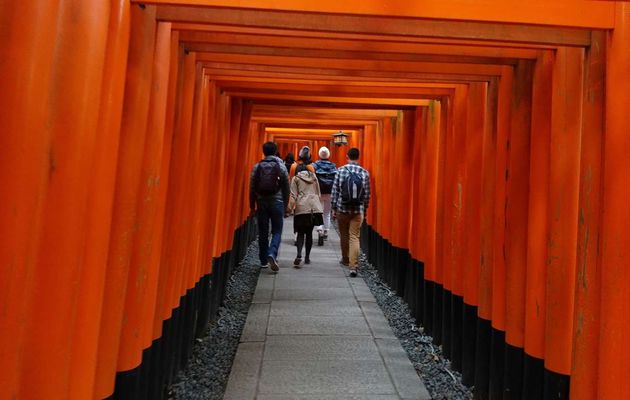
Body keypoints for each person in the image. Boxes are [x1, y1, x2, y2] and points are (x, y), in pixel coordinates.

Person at [250, 142, 290, 272]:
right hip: (277, 202)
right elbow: (286, 187)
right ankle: (272, 253)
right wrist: (286, 204)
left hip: (262, 202)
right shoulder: (281, 166)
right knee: (277, 230)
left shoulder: (257, 166)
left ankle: (263, 261)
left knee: (263, 231)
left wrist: (252, 204)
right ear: (275, 151)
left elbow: (252, 186)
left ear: (263, 151)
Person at [331, 147, 371, 277]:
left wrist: (334, 208)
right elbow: (366, 194)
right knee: (354, 237)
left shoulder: (340, 171)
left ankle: (345, 259)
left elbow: (335, 191)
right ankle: (353, 267)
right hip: (357, 210)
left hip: (343, 208)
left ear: (347, 156)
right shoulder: (364, 173)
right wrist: (364, 208)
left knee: (344, 235)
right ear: (359, 157)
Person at [288, 166, 323, 267]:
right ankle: (307, 257)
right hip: (314, 208)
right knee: (309, 233)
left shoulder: (296, 178)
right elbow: (318, 193)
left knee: (300, 233)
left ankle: (299, 255)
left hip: (302, 207)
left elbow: (293, 195)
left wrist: (289, 209)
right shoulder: (314, 177)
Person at [312, 146, 337, 245]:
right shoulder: (333, 166)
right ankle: (326, 230)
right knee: (327, 213)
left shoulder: (315, 166)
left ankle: (320, 229)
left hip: (318, 192)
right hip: (330, 192)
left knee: (319, 212)